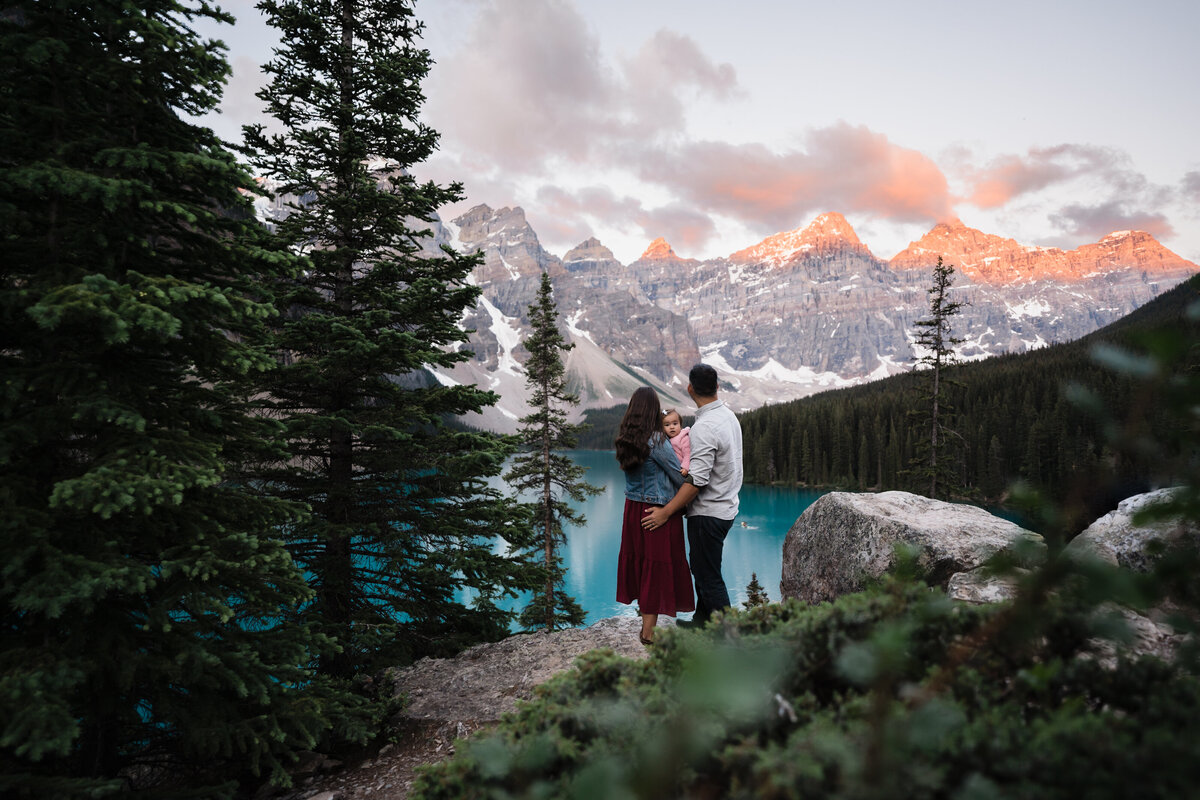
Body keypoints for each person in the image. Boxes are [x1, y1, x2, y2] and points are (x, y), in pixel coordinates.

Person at [642, 364, 743, 627]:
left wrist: (666, 512)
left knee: (708, 575)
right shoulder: (728, 416)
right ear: (717, 387)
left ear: (690, 389)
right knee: (703, 568)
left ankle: (728, 637)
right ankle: (702, 621)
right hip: (727, 507)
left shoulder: (704, 427)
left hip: (708, 513)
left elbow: (696, 480)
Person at [614, 387, 695, 644]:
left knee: (641, 564)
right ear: (652, 411)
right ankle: (648, 633)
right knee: (655, 568)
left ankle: (645, 626)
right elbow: (677, 474)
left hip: (633, 511)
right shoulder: (657, 441)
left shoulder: (625, 438)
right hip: (657, 512)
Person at [662, 408, 691, 475]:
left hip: (682, 470)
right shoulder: (665, 438)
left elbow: (688, 454)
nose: (672, 427)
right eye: (667, 425)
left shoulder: (683, 438)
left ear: (680, 425)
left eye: (675, 424)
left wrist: (685, 468)